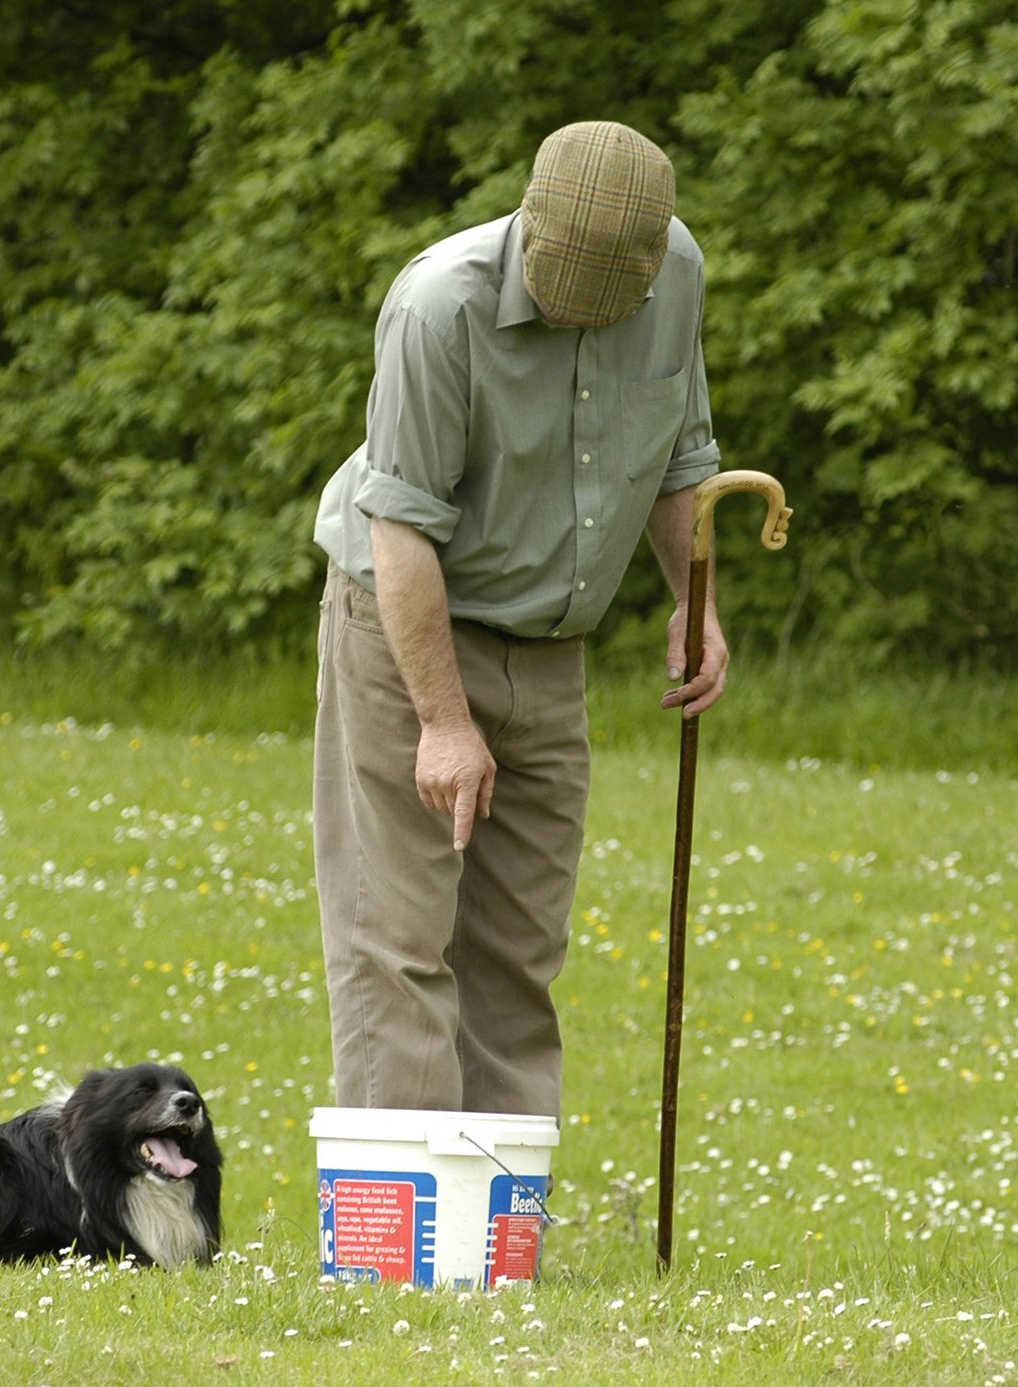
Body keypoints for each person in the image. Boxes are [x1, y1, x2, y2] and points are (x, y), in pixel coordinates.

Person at [312, 121, 728, 1120]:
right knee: (400, 943)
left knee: (518, 953)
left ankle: (500, 1245)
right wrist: (445, 724)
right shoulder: (436, 305)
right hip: (406, 629)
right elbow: (402, 527)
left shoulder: (675, 275)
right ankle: (398, 1254)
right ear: (528, 226)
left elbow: (682, 456)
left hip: (550, 649)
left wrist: (694, 603)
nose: (581, 312)